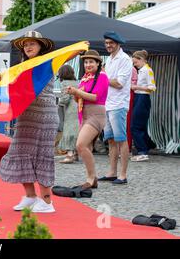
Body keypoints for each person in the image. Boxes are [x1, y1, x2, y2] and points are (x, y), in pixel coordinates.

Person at [0, 31, 58, 213]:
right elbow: (16, 91)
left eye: (33, 43)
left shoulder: (45, 63)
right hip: (26, 116)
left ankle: (47, 202)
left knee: (41, 156)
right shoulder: (21, 66)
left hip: (44, 116)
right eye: (26, 45)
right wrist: (3, 81)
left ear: (41, 46)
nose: (29, 47)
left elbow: (27, 86)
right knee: (20, 152)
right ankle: (30, 196)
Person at [66, 51, 109, 189]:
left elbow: (95, 97)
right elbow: (79, 98)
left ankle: (91, 178)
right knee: (87, 147)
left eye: (91, 62)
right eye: (85, 62)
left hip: (96, 114)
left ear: (98, 63)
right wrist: (73, 93)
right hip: (84, 114)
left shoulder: (102, 76)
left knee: (80, 145)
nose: (88, 64)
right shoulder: (86, 77)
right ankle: (91, 178)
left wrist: (77, 92)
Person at [99, 31, 133, 185]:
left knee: (121, 140)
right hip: (108, 104)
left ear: (118, 43)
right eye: (106, 43)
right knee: (111, 140)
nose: (108, 45)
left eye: (111, 43)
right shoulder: (110, 59)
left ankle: (123, 175)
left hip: (118, 105)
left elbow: (119, 83)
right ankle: (112, 172)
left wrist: (104, 77)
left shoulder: (125, 59)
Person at [130, 50, 156, 162]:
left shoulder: (147, 70)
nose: (134, 65)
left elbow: (152, 87)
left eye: (135, 63)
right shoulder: (142, 70)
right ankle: (149, 145)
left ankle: (142, 151)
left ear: (141, 60)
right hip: (139, 98)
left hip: (143, 98)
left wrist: (136, 87)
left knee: (135, 126)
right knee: (141, 125)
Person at [58, 65, 80, 164]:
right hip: (79, 108)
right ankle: (76, 154)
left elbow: (65, 99)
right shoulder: (78, 82)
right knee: (77, 131)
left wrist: (58, 102)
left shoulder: (64, 83)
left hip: (70, 110)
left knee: (68, 131)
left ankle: (69, 154)